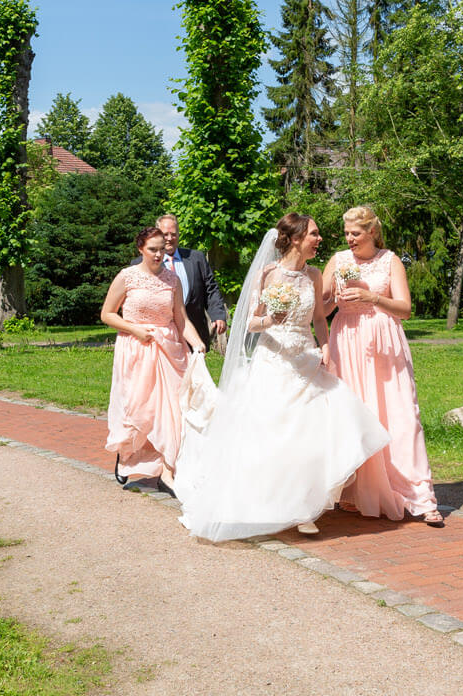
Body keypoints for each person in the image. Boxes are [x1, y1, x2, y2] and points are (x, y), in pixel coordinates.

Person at [173, 214, 390, 541]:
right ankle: (268, 503)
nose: (319, 239)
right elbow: (251, 323)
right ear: (296, 238)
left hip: (307, 359)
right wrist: (271, 319)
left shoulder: (314, 274)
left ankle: (304, 507)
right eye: (314, 234)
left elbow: (319, 318)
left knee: (321, 429)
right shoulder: (268, 274)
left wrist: (325, 346)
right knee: (276, 436)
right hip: (274, 362)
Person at [323, 206, 443, 526]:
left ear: (372, 232)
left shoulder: (390, 261)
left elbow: (405, 309)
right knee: (358, 415)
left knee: (402, 417)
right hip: (347, 343)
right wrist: (332, 298)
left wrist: (372, 298)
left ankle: (420, 496)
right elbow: (321, 307)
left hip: (385, 346)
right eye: (346, 233)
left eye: (355, 233)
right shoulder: (338, 261)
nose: (349, 239)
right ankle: (359, 492)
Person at [101, 226, 207, 489]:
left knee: (173, 410)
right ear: (141, 249)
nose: (158, 254)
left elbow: (181, 319)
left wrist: (197, 343)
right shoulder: (126, 277)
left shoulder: (172, 280)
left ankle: (168, 471)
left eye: (162, 249)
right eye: (152, 249)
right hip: (136, 349)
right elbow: (107, 314)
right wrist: (135, 329)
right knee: (141, 409)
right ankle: (128, 453)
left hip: (169, 350)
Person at [155, 214, 228, 350]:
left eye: (173, 234)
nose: (169, 238)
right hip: (162, 336)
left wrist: (218, 315)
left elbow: (211, 289)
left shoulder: (196, 258)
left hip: (195, 333)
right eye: (165, 234)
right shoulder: (144, 264)